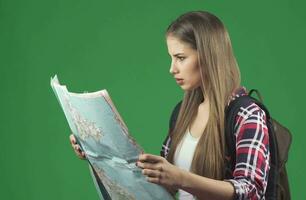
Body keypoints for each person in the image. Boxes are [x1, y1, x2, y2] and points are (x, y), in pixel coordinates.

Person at [69, 11, 270, 200]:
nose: (172, 69)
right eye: (171, 58)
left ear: (209, 56)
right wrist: (98, 152)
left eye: (181, 58)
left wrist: (180, 177)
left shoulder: (246, 114)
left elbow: (251, 190)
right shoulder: (182, 112)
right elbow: (165, 186)